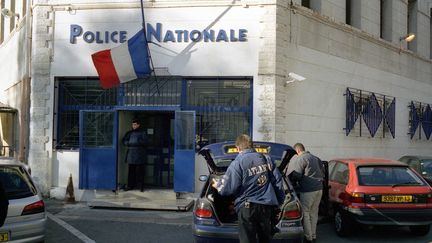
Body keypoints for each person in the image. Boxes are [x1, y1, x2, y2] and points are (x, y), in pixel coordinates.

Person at [211, 134, 285, 243]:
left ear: (238, 148)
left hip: (247, 209)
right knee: (265, 239)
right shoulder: (266, 158)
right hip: (266, 208)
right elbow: (278, 183)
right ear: (251, 145)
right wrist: (279, 202)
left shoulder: (237, 163)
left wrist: (218, 186)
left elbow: (229, 189)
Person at [286, 143, 324, 243]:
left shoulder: (302, 158)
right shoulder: (315, 158)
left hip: (308, 190)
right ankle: (314, 235)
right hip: (319, 189)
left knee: (306, 213)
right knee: (314, 213)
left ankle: (308, 238)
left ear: (297, 151)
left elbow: (296, 176)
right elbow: (323, 172)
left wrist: (291, 181)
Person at [122, 118, 148, 192]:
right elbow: (124, 140)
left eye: (135, 124)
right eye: (133, 124)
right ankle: (130, 185)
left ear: (138, 125)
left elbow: (146, 142)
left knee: (140, 171)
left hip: (140, 154)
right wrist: (128, 143)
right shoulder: (129, 133)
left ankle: (141, 186)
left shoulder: (143, 133)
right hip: (131, 154)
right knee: (131, 171)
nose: (134, 126)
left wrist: (138, 142)